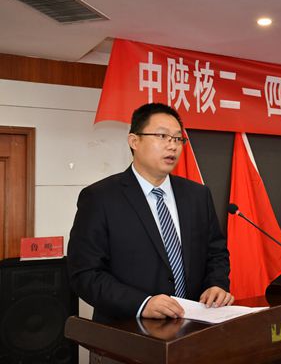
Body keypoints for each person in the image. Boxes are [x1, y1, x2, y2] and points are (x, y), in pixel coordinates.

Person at [68, 103, 233, 323]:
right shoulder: (100, 198)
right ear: (134, 141)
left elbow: (216, 252)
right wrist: (141, 303)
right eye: (162, 136)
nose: (172, 146)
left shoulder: (197, 195)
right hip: (127, 330)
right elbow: (85, 274)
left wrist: (216, 284)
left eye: (178, 139)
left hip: (193, 326)